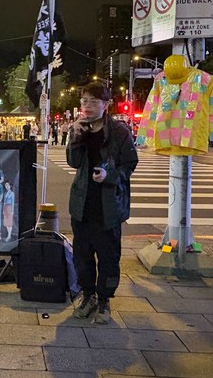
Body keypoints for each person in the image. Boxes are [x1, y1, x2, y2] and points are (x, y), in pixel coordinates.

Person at [66, 82, 138, 324]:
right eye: (84, 101)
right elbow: (74, 163)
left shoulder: (119, 131)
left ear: (105, 105)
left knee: (108, 257)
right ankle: (87, 296)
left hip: (108, 207)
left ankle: (104, 300)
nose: (87, 106)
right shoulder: (78, 129)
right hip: (82, 204)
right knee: (82, 256)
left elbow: (129, 164)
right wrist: (76, 135)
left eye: (93, 102)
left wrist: (110, 177)